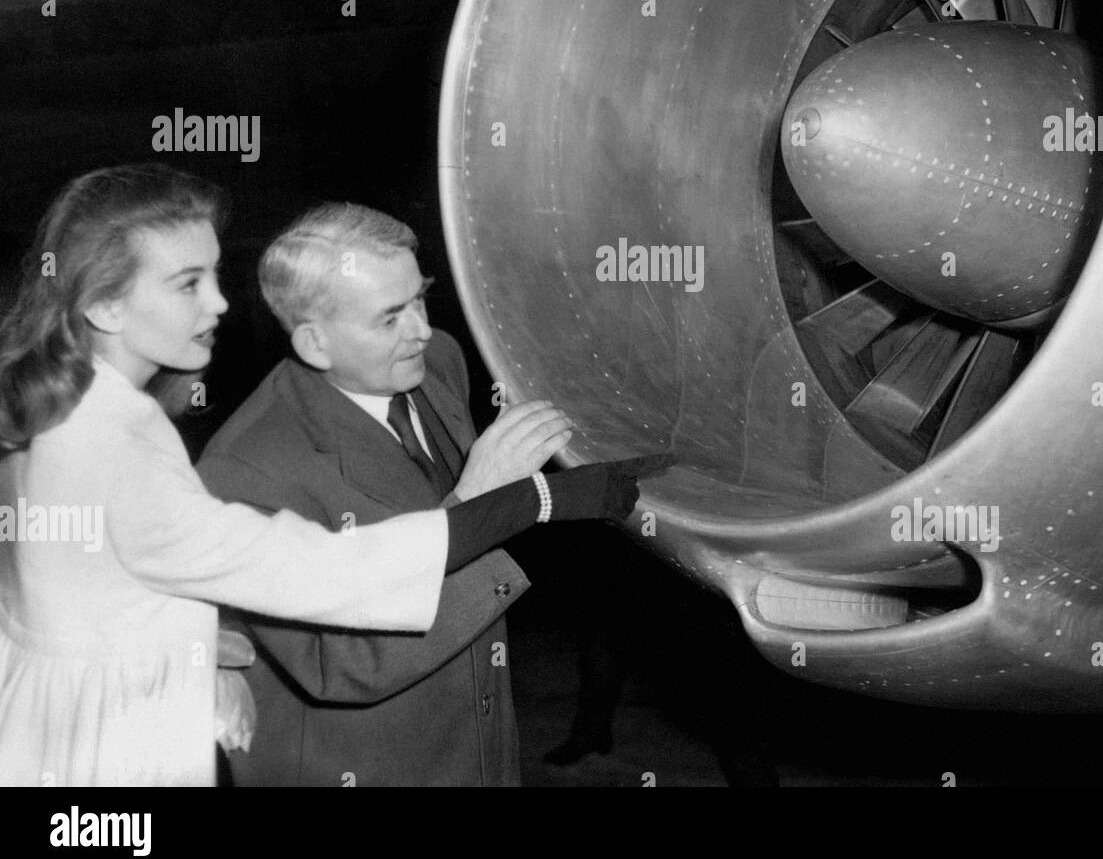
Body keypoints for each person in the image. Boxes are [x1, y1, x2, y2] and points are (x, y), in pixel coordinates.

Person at [0, 164, 664, 786]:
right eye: (187, 283)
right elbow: (328, 586)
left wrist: (197, 649)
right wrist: (511, 500)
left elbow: (70, 596)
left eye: (214, 273)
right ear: (108, 308)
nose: (222, 304)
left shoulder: (62, 415)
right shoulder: (212, 459)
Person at [198, 203, 584, 785]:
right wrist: (479, 502)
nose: (422, 330)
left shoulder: (434, 361)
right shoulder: (244, 472)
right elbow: (344, 664)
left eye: (420, 298)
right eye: (390, 317)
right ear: (314, 344)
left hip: (477, 751)